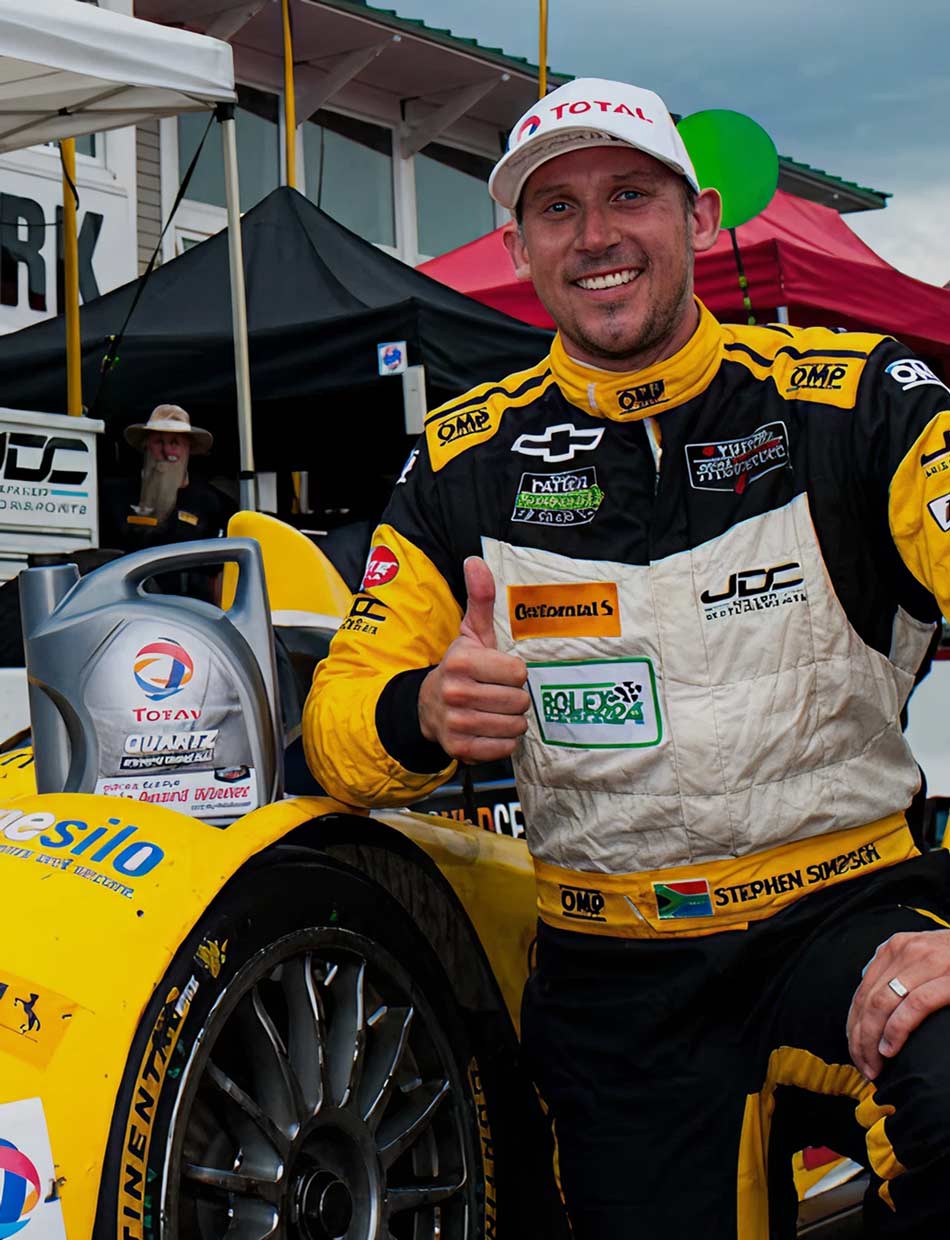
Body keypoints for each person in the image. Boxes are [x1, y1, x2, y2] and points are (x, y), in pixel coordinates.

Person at [302, 76, 950, 1238]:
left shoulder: (856, 399)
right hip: (614, 978)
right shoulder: (459, 461)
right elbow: (338, 727)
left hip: (847, 918)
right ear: (517, 245)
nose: (594, 235)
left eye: (628, 196)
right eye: (555, 210)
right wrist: (422, 712)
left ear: (698, 219)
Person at [99, 404, 235, 603]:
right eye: (158, 442)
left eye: (175, 443)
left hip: (189, 610)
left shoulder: (212, 502)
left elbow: (218, 574)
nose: (167, 451)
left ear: (189, 448)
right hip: (126, 605)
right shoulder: (115, 494)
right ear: (146, 445)